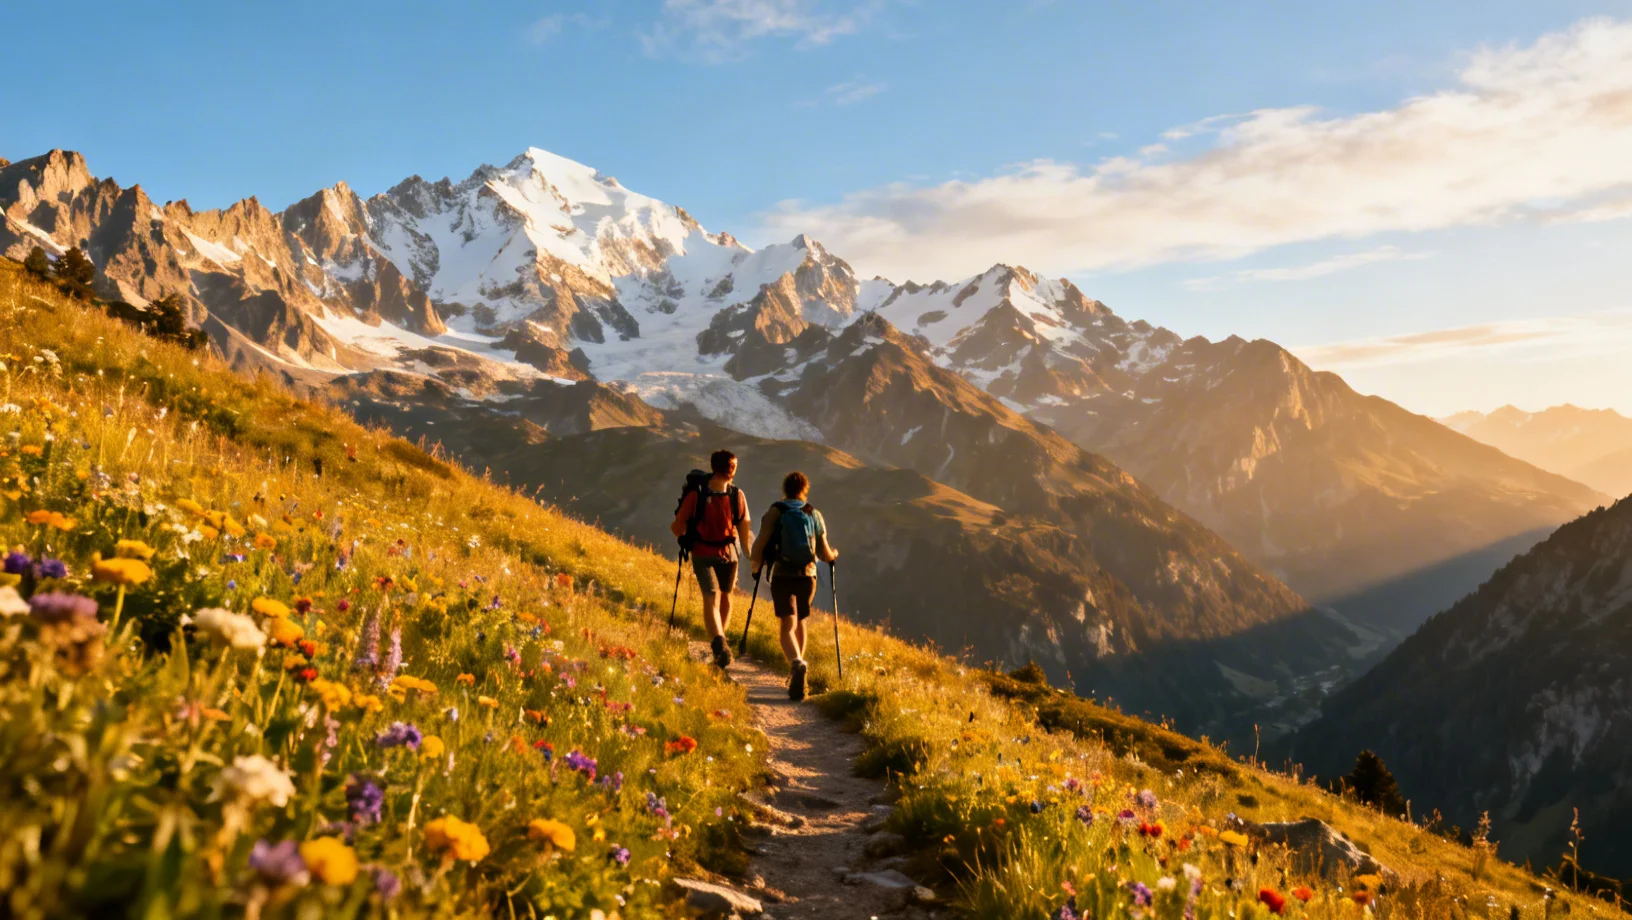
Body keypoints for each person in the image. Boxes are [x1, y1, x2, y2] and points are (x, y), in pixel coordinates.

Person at [750, 471, 838, 701]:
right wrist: (833, 556)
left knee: (787, 624)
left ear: (785, 488)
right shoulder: (813, 513)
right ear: (804, 489)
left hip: (782, 574)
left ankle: (796, 663)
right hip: (808, 576)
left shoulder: (776, 511)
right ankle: (800, 671)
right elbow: (823, 551)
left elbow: (759, 544)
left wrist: (755, 563)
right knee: (800, 621)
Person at [671, 450, 752, 670]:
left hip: (707, 552)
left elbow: (677, 526)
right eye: (733, 466)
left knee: (714, 597)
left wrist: (687, 539)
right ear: (730, 468)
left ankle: (719, 643)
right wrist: (751, 557)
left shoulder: (699, 494)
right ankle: (719, 642)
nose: (734, 469)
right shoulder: (736, 495)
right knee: (722, 596)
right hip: (727, 553)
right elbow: (744, 531)